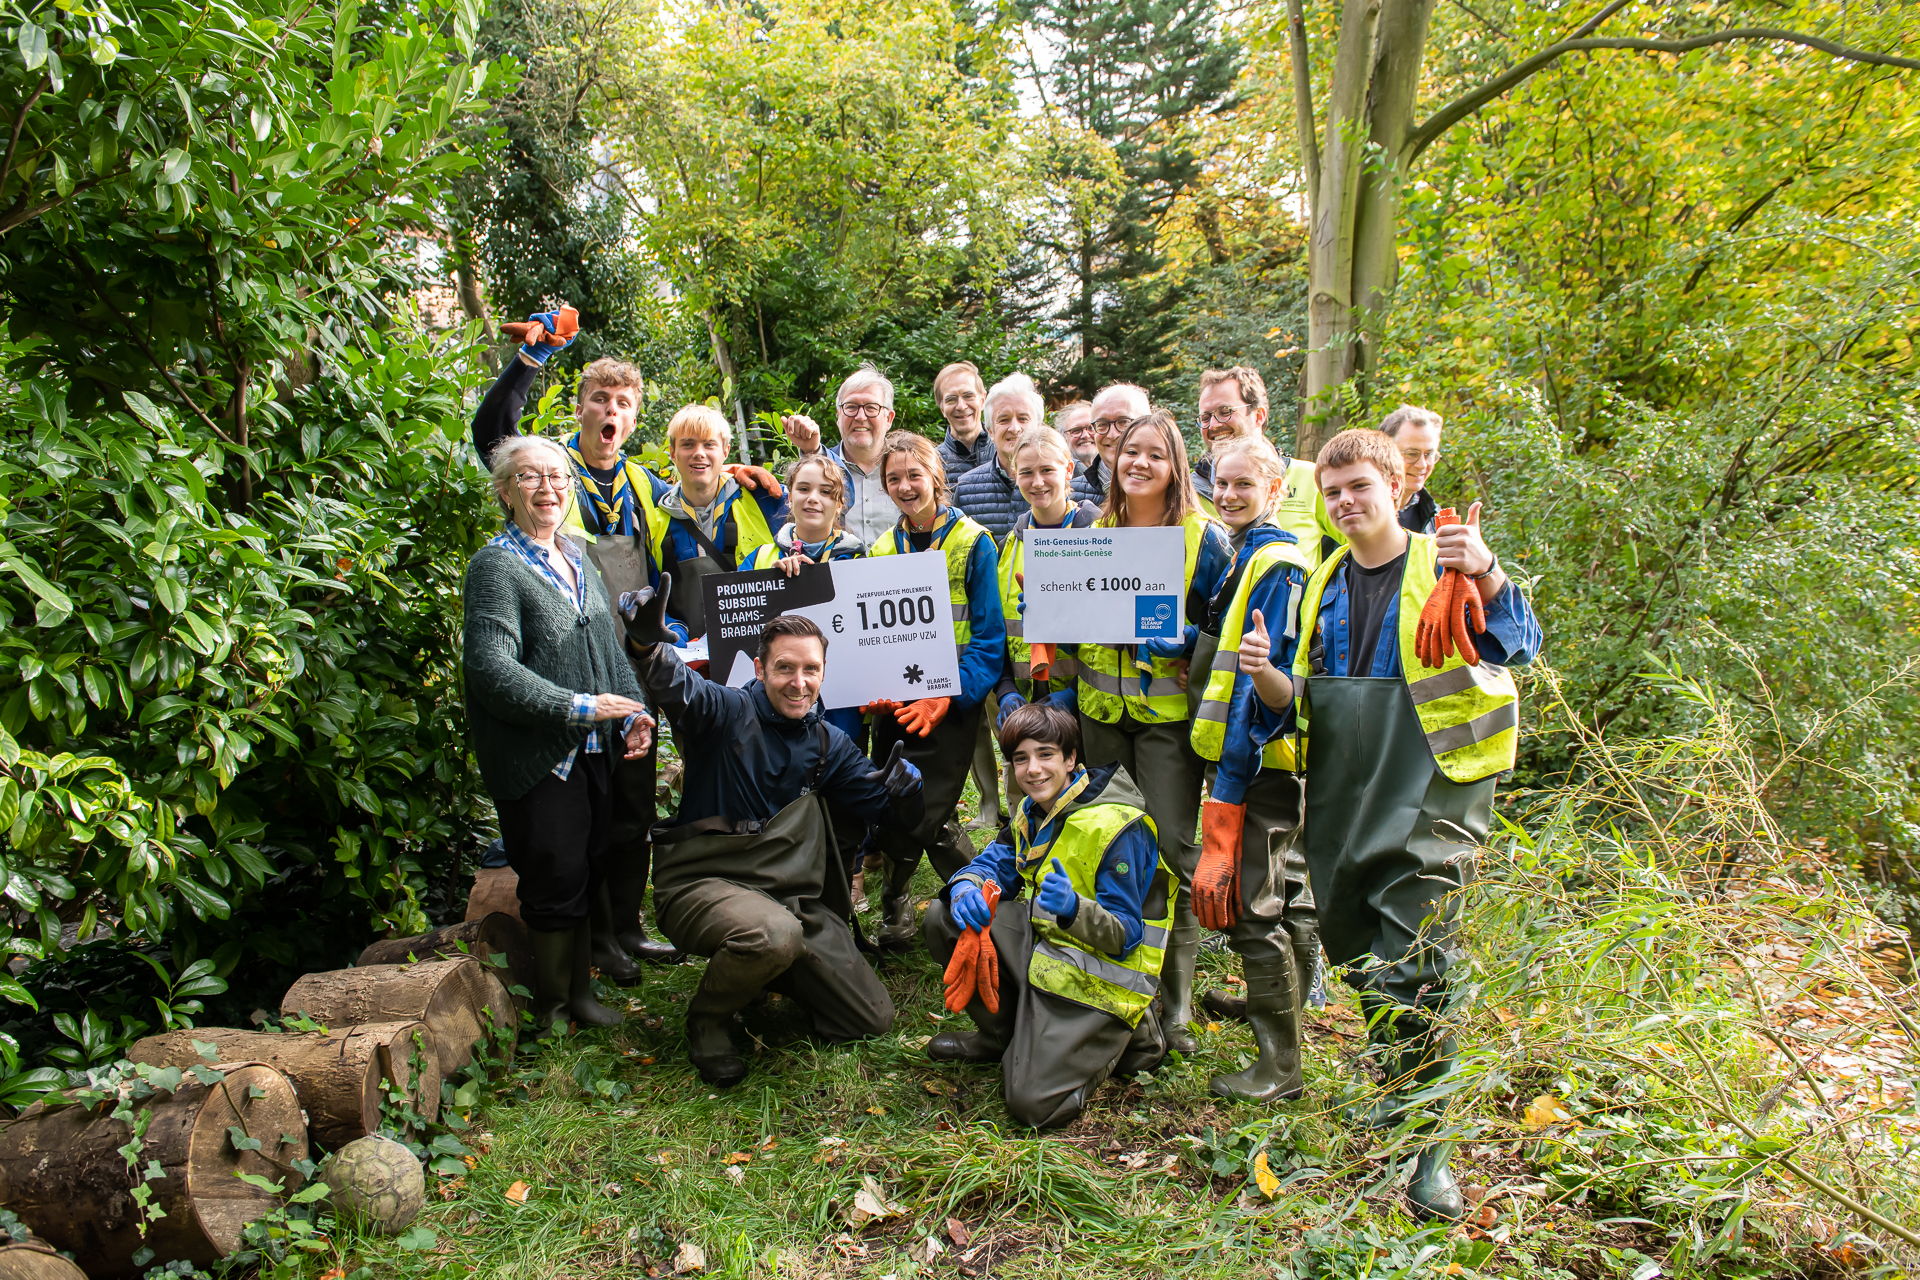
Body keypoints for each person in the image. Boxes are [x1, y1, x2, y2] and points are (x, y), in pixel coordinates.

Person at [1240, 427, 1541, 1220]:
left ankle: (1431, 1151)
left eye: (1360, 489)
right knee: (1361, 951)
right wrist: (1267, 676)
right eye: (1333, 493)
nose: (1345, 504)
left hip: (1433, 793)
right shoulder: (1325, 581)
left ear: (1398, 487)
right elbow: (1299, 705)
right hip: (1344, 797)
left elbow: (1515, 644)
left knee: (1421, 961)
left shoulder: (1441, 561)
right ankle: (1401, 1095)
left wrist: (1489, 570)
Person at [471, 314, 783, 975]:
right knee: (580, 808)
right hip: (568, 670)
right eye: (599, 400)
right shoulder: (552, 472)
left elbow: (703, 515)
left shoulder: (645, 484)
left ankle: (627, 927)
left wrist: (761, 492)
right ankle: (586, 942)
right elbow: (493, 435)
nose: (609, 411)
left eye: (622, 404)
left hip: (635, 669)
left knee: (632, 803)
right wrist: (527, 363)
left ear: (634, 418)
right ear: (580, 407)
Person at [620, 609, 925, 1087]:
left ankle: (763, 972)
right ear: (760, 670)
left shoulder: (830, 742)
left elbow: (883, 812)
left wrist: (905, 795)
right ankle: (709, 1020)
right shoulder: (723, 712)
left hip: (788, 898)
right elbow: (678, 687)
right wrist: (646, 646)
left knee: (869, 1019)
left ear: (824, 673)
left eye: (811, 670)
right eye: (785, 668)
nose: (798, 683)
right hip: (700, 886)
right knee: (773, 935)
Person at [462, 435, 657, 1033]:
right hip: (541, 755)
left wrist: (633, 710)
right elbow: (490, 668)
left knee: (588, 866)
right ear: (504, 491)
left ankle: (580, 996)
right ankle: (551, 1010)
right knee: (554, 877)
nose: (548, 488)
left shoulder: (574, 553)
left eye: (557, 477)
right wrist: (576, 705)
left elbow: (607, 645)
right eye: (530, 478)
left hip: (595, 749)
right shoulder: (496, 565)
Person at [924, 704, 1173, 1128]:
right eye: (1020, 759)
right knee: (944, 914)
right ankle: (1004, 1037)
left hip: (1102, 977)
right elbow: (996, 862)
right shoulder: (1032, 811)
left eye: (1046, 755)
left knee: (1032, 1107)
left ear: (1071, 758)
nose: (1033, 769)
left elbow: (1127, 936)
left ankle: (1136, 1036)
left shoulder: (1117, 825)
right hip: (1049, 950)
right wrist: (967, 884)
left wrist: (1075, 910)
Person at [1074, 409, 1231, 1053]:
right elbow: (1068, 616)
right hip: (1098, 715)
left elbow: (1227, 627)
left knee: (1172, 848)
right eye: (1129, 451)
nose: (1137, 463)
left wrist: (1189, 639)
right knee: (1113, 846)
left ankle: (1179, 999)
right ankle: (1120, 985)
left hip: (1166, 720)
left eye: (1154, 455)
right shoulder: (1091, 529)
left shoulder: (1205, 538)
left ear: (1176, 467)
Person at [1186, 436, 1318, 1102]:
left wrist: (1229, 794)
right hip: (1250, 765)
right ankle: (1279, 1013)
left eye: (1244, 484)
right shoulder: (1244, 553)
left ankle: (1281, 1068)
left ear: (1275, 489)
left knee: (1250, 907)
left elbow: (1260, 692)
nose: (1229, 494)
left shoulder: (1279, 565)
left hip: (1260, 766)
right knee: (1271, 896)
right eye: (1222, 483)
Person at [866, 431, 1008, 948]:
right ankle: (978, 894)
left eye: (914, 475)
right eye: (894, 478)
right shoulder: (882, 548)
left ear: (936, 478)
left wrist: (948, 695)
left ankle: (909, 900)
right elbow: (873, 637)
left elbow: (990, 640)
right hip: (897, 703)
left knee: (927, 807)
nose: (905, 486)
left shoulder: (974, 543)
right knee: (894, 801)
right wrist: (878, 690)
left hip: (951, 702)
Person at [649, 404, 786, 641]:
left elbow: (821, 506)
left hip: (761, 649)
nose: (699, 453)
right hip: (687, 661)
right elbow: (655, 594)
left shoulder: (763, 499)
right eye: (688, 444)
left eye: (709, 444)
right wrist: (677, 638)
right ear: (672, 452)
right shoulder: (656, 520)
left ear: (725, 450)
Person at [994, 425, 1100, 722]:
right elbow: (997, 627)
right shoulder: (1010, 545)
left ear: (1068, 470)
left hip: (1089, 703)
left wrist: (1075, 694)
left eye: (1047, 470)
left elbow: (1112, 631)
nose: (1037, 482)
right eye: (1026, 472)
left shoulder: (1099, 535)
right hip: (1026, 703)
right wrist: (1005, 690)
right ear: (1015, 475)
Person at [1192, 366, 1330, 568]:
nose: (1213, 425)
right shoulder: (1185, 490)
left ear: (1259, 415)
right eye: (1205, 417)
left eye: (1225, 412)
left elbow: (1359, 544)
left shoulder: (1311, 478)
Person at [953, 373, 1099, 540]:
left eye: (1023, 418)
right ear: (990, 431)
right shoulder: (966, 490)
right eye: (1004, 420)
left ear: (1038, 425)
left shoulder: (1084, 479)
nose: (1014, 428)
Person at [777, 364, 903, 546]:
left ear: (889, 418)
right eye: (851, 407)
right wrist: (812, 451)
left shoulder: (906, 473)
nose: (860, 417)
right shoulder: (820, 471)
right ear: (838, 416)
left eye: (871, 407)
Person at [1377, 404, 1444, 534]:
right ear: (1383, 451)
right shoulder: (1355, 511)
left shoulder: (1436, 519)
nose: (1422, 465)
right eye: (1412, 453)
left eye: (1429, 454)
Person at [1079, 383, 1150, 504]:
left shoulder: (1174, 493)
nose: (1112, 435)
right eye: (1102, 424)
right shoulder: (1070, 497)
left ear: (1149, 424)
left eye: (1123, 422)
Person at [933, 361, 994, 486]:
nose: (961, 406)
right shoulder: (932, 463)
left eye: (968, 396)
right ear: (942, 408)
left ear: (982, 401)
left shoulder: (1006, 454)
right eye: (951, 399)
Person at [1054, 400, 1098, 471]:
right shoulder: (1059, 476)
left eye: (1091, 428)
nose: (1086, 435)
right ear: (1063, 438)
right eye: (1076, 430)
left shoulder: (1116, 469)